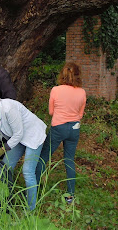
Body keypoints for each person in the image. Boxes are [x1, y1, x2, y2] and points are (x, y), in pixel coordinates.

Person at [0, 88, 46, 211]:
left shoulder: (8, 108)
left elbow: (18, 133)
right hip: (18, 138)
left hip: (32, 136)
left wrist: (2, 150)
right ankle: (7, 197)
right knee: (6, 167)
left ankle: (31, 208)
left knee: (27, 171)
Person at [36, 62, 87, 204]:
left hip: (58, 128)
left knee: (44, 157)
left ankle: (34, 188)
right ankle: (70, 196)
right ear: (78, 75)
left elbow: (51, 112)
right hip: (74, 129)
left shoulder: (56, 90)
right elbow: (80, 114)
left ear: (62, 74)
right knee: (69, 160)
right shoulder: (82, 92)